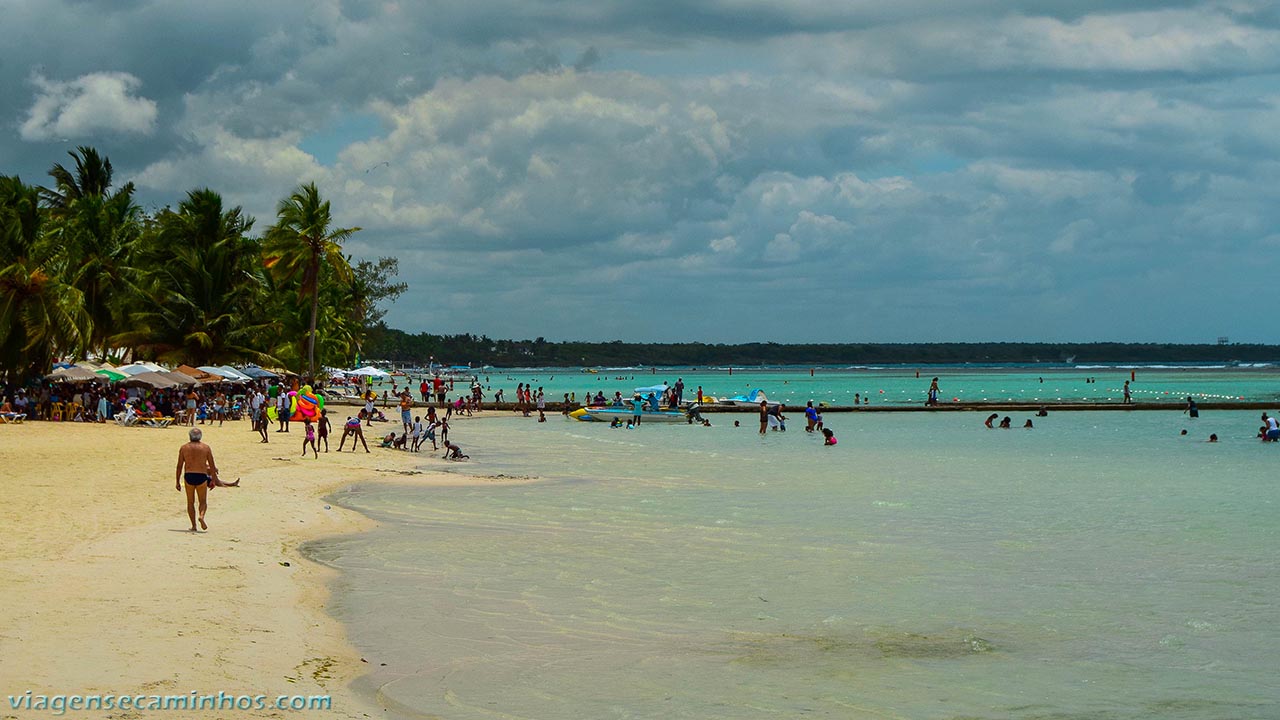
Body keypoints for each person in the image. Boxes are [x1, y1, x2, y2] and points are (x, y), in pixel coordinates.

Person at [175, 427, 219, 532]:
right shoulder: (206, 448)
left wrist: (177, 481)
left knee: (190, 502)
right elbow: (212, 465)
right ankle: (202, 516)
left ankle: (194, 525)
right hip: (201, 476)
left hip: (189, 476)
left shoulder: (184, 448)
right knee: (202, 501)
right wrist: (213, 479)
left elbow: (179, 466)